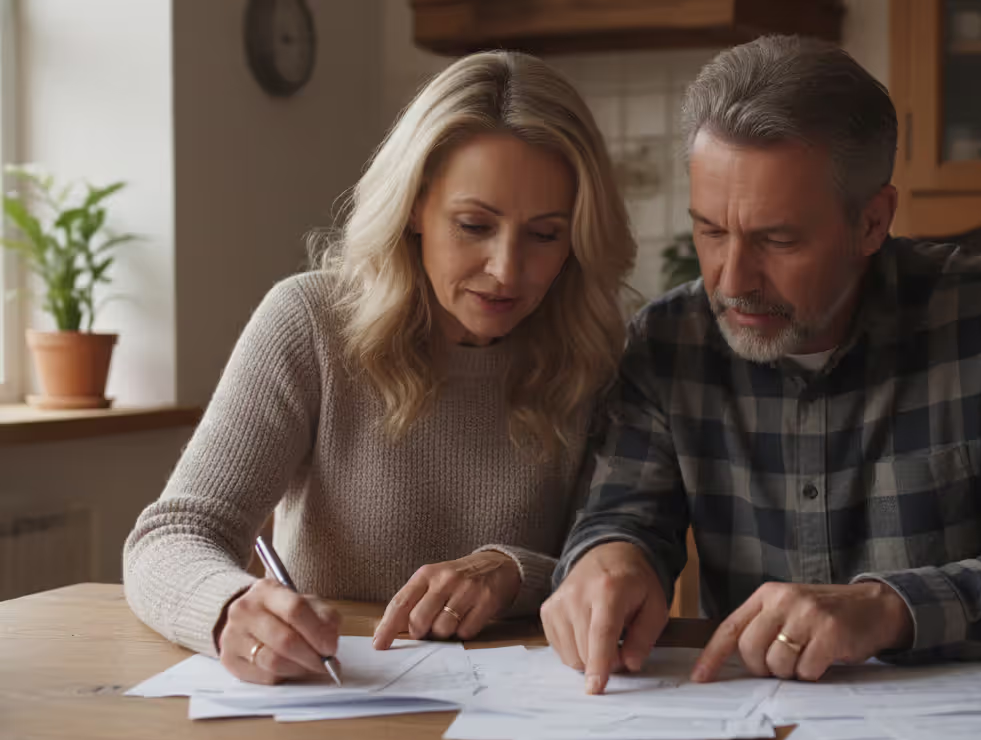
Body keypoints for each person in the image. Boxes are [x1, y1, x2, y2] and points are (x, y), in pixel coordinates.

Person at [541, 36, 981, 694]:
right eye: (710, 231)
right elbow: (623, 517)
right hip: (744, 722)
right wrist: (608, 559)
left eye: (777, 239)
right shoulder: (666, 343)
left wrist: (888, 608)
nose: (732, 278)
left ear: (872, 222)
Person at [124, 51, 633, 685]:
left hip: (528, 714)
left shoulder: (597, 348)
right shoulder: (309, 322)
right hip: (327, 703)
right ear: (415, 207)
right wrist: (229, 609)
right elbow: (173, 535)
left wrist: (511, 571)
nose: (507, 269)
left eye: (546, 234)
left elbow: (623, 553)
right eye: (474, 225)